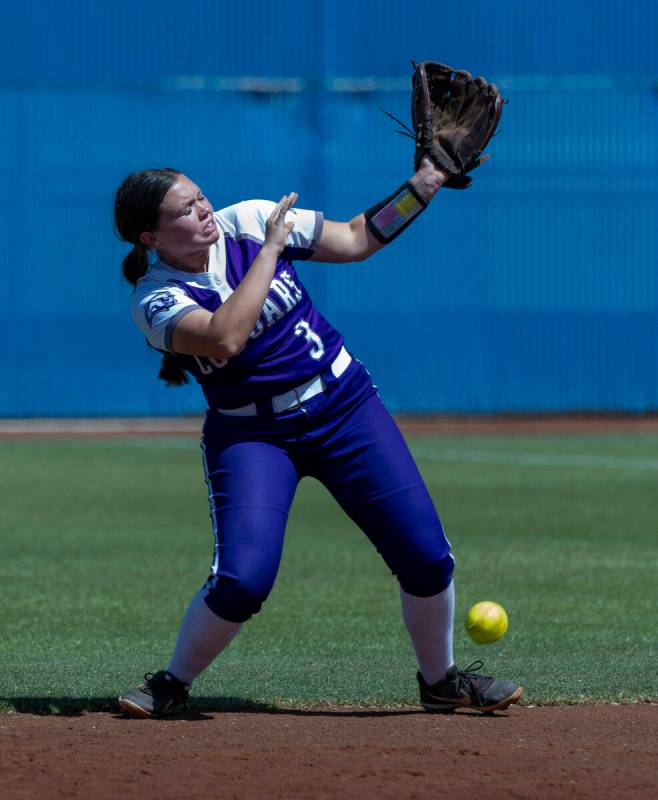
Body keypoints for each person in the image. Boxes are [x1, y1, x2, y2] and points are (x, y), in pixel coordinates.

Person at [114, 158, 523, 717]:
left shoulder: (254, 219)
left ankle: (441, 681)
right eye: (184, 209)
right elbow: (225, 338)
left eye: (201, 196)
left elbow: (357, 238)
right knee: (243, 580)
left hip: (344, 406)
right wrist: (272, 251)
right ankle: (172, 683)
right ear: (150, 236)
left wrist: (424, 185)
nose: (203, 210)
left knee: (426, 558)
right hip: (252, 434)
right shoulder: (154, 298)